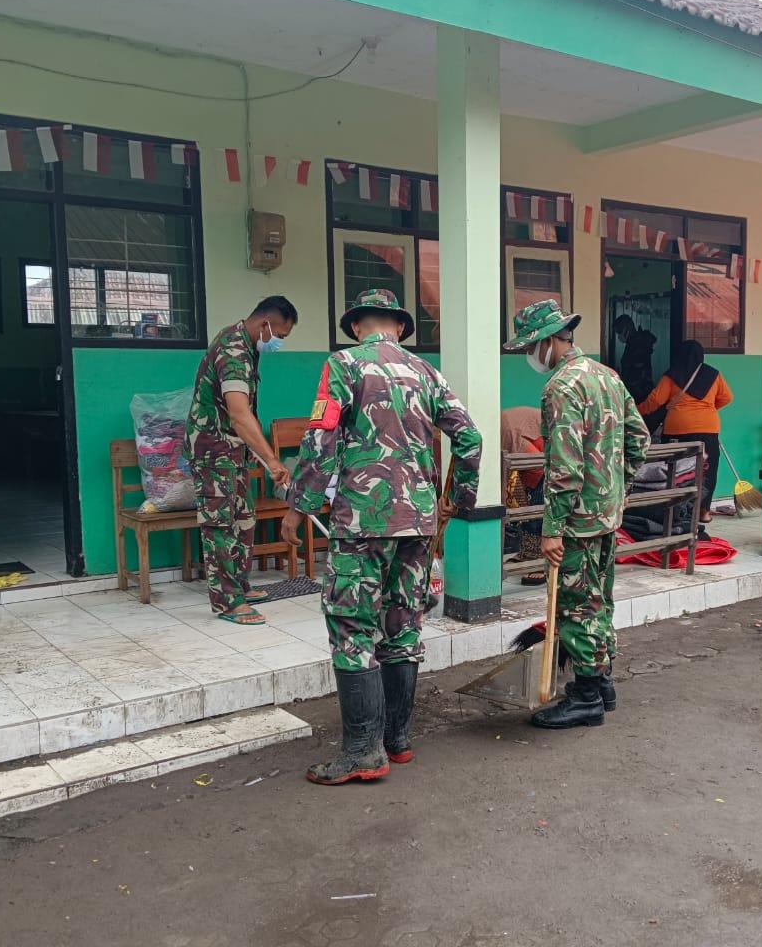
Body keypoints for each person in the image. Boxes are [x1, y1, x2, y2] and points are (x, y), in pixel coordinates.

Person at [282, 289, 482, 785]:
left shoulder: (345, 364)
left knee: (352, 627)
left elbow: (321, 437)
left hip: (363, 521)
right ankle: (396, 739)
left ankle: (361, 752)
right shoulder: (427, 372)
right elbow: (470, 437)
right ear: (399, 327)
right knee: (403, 624)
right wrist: (459, 499)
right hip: (418, 521)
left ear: (356, 327)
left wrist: (299, 506)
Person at [503, 299, 649, 729]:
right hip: (605, 516)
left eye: (530, 347)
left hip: (576, 522)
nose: (530, 355)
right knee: (599, 599)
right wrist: (618, 490)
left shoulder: (561, 388)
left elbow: (564, 469)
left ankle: (586, 697)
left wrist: (552, 528)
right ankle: (602, 682)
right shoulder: (607, 376)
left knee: (575, 606)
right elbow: (639, 439)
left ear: (548, 341)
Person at [185, 296, 297, 626]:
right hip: (213, 452)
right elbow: (238, 413)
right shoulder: (233, 351)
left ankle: (240, 586)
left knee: (244, 519)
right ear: (265, 325)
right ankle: (227, 601)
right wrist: (272, 460)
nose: (278, 343)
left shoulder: (245, 344)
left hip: (233, 452)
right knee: (220, 525)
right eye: (280, 335)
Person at [637, 339, 732, 526]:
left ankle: (676, 510)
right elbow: (727, 397)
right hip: (708, 429)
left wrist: (636, 411)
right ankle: (704, 512)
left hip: (677, 430)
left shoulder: (672, 375)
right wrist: (707, 410)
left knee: (675, 470)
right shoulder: (713, 374)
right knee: (707, 470)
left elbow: (655, 401)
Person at [501, 407, 547, 586]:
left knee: (536, 504)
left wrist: (527, 488)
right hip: (541, 456)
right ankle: (529, 553)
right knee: (526, 504)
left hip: (548, 462)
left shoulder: (508, 433)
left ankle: (539, 561)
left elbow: (537, 464)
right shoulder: (500, 430)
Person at [613, 313, 657, 405]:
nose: (618, 336)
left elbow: (637, 373)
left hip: (639, 393)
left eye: (619, 331)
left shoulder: (637, 344)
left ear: (626, 329)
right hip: (639, 391)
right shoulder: (633, 343)